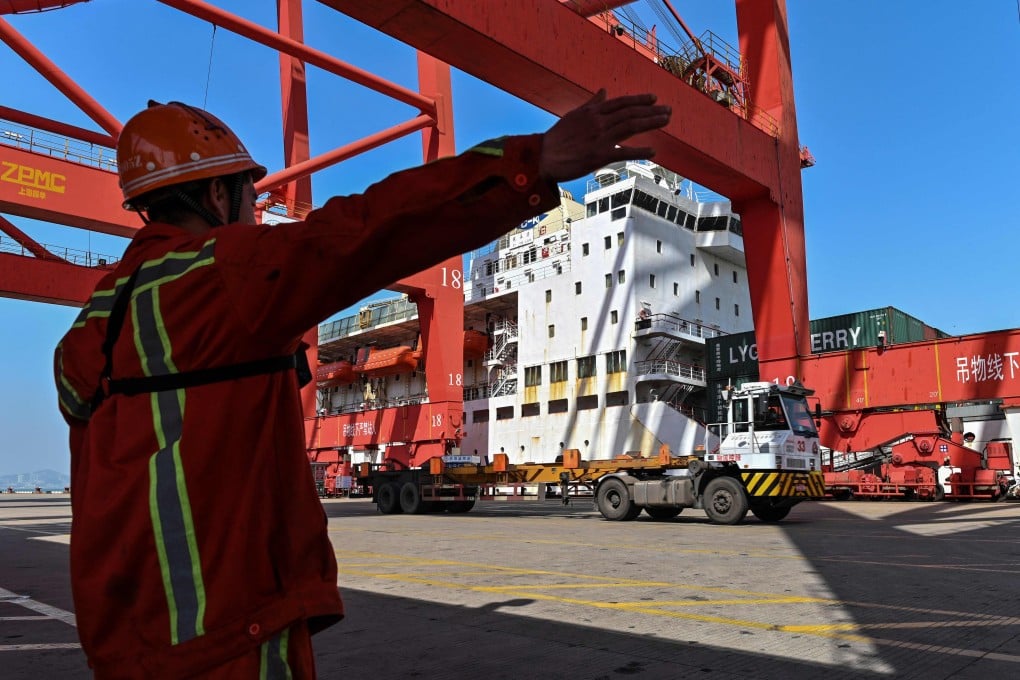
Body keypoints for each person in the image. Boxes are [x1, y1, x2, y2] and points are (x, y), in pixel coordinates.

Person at [53, 90, 670, 678]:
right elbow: (369, 228)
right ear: (219, 194)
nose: (257, 214)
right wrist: (531, 163)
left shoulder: (97, 318)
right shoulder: (226, 275)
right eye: (251, 197)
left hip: (124, 642)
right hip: (225, 636)